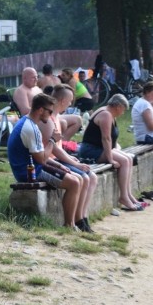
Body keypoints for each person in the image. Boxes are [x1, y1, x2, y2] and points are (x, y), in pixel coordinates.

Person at [8, 93, 83, 228]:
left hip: (31, 166)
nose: (50, 115)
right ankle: (69, 225)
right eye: (50, 111)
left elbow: (41, 155)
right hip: (29, 172)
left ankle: (75, 222)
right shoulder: (30, 128)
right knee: (74, 183)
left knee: (78, 178)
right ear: (41, 110)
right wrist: (53, 140)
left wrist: (58, 165)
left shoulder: (28, 122)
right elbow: (42, 160)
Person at [41, 84, 98, 232]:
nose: (71, 103)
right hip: (51, 161)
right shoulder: (49, 120)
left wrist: (73, 160)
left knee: (92, 176)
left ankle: (82, 217)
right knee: (83, 177)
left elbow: (59, 148)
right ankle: (76, 220)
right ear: (61, 101)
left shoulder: (57, 116)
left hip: (57, 159)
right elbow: (55, 150)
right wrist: (75, 164)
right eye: (70, 100)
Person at [78, 94, 145, 210]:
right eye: (124, 109)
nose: (123, 112)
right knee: (124, 160)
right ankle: (123, 196)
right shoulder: (106, 114)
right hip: (91, 150)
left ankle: (128, 195)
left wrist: (116, 149)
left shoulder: (110, 114)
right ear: (118, 106)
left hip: (99, 148)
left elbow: (112, 139)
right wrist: (110, 159)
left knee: (128, 158)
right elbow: (106, 138)